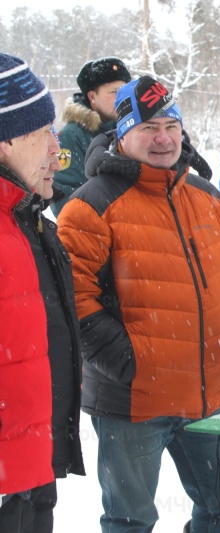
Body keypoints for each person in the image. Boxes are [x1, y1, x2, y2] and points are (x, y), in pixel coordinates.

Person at [57, 75, 220, 532]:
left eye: (171, 124)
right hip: (132, 402)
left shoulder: (205, 195)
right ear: (122, 133)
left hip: (211, 398)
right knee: (131, 521)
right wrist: (128, 360)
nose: (164, 138)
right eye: (148, 127)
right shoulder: (89, 206)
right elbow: (75, 299)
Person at [0, 53, 60, 533]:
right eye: (44, 133)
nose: (55, 148)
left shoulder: (23, 220)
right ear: (7, 140)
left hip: (25, 467)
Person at [51, 56, 131, 217]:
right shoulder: (71, 137)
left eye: (125, 91)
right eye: (114, 92)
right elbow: (65, 199)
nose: (122, 98)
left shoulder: (129, 130)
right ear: (92, 97)